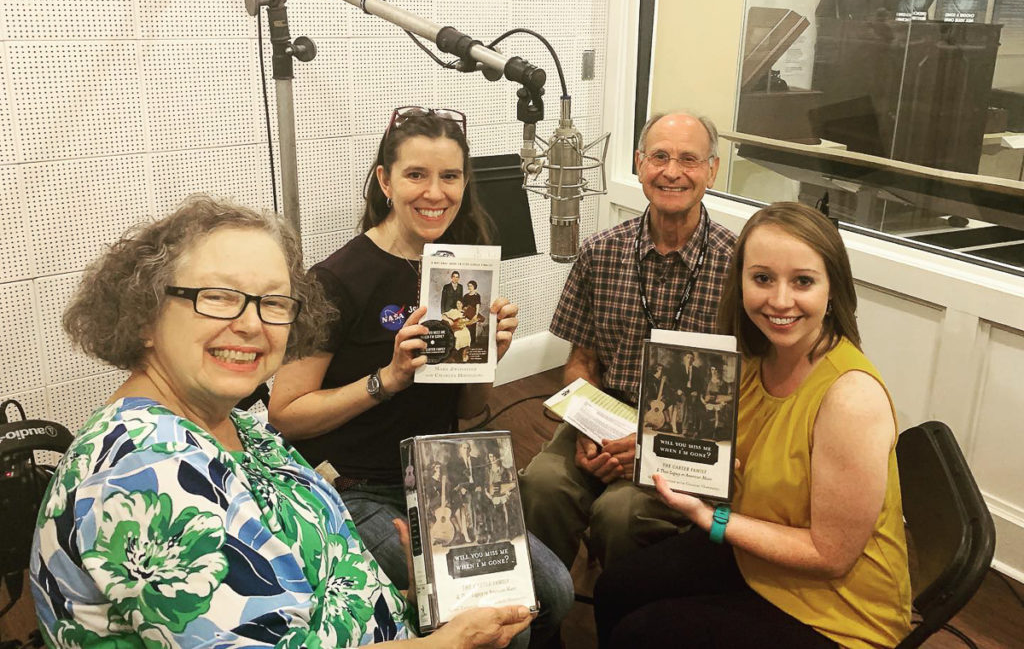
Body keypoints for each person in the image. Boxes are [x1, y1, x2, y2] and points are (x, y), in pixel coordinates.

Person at [31, 196, 533, 649]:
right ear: (145, 315)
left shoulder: (234, 427)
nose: (251, 324)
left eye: (272, 302)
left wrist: (409, 597)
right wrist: (449, 643)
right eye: (218, 296)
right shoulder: (145, 473)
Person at [268, 108, 573, 649]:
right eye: (416, 175)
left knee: (554, 592)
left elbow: (468, 412)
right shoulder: (336, 280)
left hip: (443, 477)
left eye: (449, 176)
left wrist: (488, 358)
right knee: (496, 625)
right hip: (358, 486)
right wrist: (388, 379)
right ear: (385, 181)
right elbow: (285, 415)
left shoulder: (460, 267)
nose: (435, 192)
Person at [593, 202, 912, 649]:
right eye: (762, 278)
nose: (779, 300)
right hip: (757, 559)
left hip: (838, 614)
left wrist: (710, 518)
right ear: (740, 281)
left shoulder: (851, 399)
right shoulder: (752, 361)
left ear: (833, 288)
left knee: (641, 634)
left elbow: (832, 555)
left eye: (803, 281)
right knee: (616, 588)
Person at [519, 111, 736, 570]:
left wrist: (649, 444)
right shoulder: (600, 251)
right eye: (659, 157)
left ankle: (626, 605)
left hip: (690, 430)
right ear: (639, 164)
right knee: (541, 483)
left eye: (689, 159)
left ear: (712, 170)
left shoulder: (737, 267)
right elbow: (581, 360)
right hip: (606, 414)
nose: (672, 172)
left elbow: (744, 391)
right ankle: (545, 605)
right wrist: (586, 428)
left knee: (620, 514)